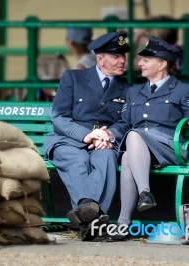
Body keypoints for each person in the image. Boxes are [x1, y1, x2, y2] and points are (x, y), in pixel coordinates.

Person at [103, 35, 189, 241]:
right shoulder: (134, 92)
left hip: (169, 147)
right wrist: (108, 133)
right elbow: (124, 123)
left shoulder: (181, 89)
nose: (139, 63)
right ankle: (123, 223)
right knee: (127, 156)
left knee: (134, 136)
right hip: (140, 152)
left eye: (145, 60)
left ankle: (144, 194)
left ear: (162, 63)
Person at [43, 31, 131, 241]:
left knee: (107, 157)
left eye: (123, 56)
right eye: (116, 56)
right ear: (100, 59)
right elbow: (59, 118)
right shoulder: (74, 77)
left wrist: (108, 134)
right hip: (69, 140)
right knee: (78, 160)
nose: (122, 61)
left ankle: (85, 217)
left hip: (103, 142)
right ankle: (93, 218)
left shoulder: (127, 89)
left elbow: (125, 122)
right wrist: (87, 135)